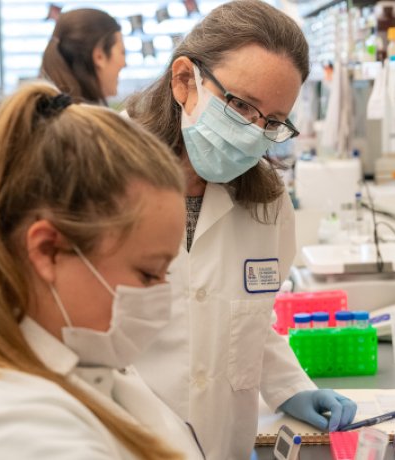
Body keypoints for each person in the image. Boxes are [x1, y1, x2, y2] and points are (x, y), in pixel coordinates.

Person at [0, 82, 204, 460]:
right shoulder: (6, 433)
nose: (160, 297)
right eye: (147, 274)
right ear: (46, 250)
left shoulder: (70, 358)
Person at [125, 1, 357, 457]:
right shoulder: (96, 172)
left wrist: (290, 387)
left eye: (272, 121)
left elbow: (242, 321)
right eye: (242, 106)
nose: (254, 132)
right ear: (185, 81)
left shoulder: (266, 202)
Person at [40, 8, 126, 104]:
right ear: (99, 57)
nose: (124, 64)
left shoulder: (49, 111)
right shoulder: (86, 118)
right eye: (122, 52)